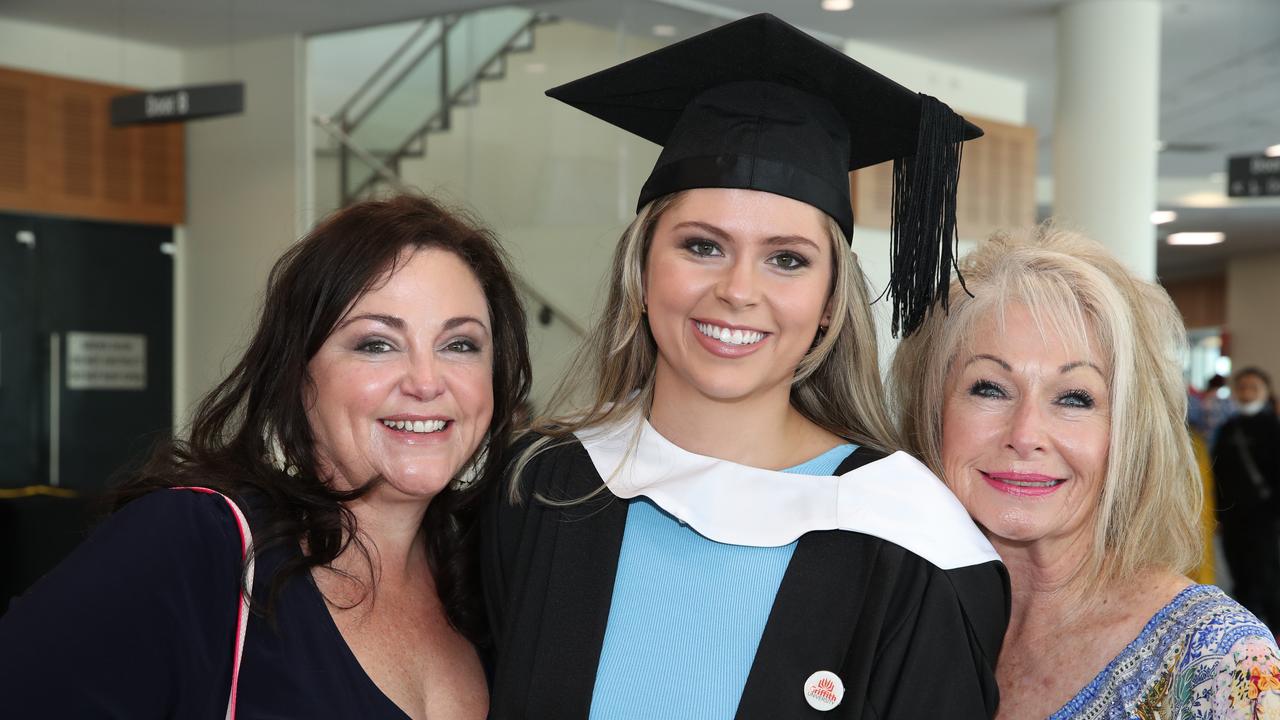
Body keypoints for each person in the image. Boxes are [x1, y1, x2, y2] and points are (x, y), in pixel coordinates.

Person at [484, 14, 1009, 720]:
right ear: (641, 270)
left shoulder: (909, 541)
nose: (738, 290)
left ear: (829, 301)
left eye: (787, 259)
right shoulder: (541, 489)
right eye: (702, 246)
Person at [0, 194, 531, 719]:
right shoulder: (196, 544)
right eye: (376, 344)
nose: (426, 382)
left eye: (460, 344)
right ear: (299, 377)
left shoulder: (499, 578)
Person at [892, 225, 1280, 719]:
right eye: (989, 388)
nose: (1026, 432)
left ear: (1129, 433)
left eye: (1075, 398)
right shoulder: (888, 623)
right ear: (931, 412)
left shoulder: (1220, 666)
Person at [1213, 367, 1280, 627]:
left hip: (1263, 515)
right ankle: (1246, 632)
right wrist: (1219, 514)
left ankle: (1273, 630)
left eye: (1254, 387)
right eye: (1242, 387)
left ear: (1265, 391)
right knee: (1238, 572)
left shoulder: (1272, 427)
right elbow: (1217, 473)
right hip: (1233, 516)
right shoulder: (1229, 427)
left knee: (1266, 572)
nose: (1247, 393)